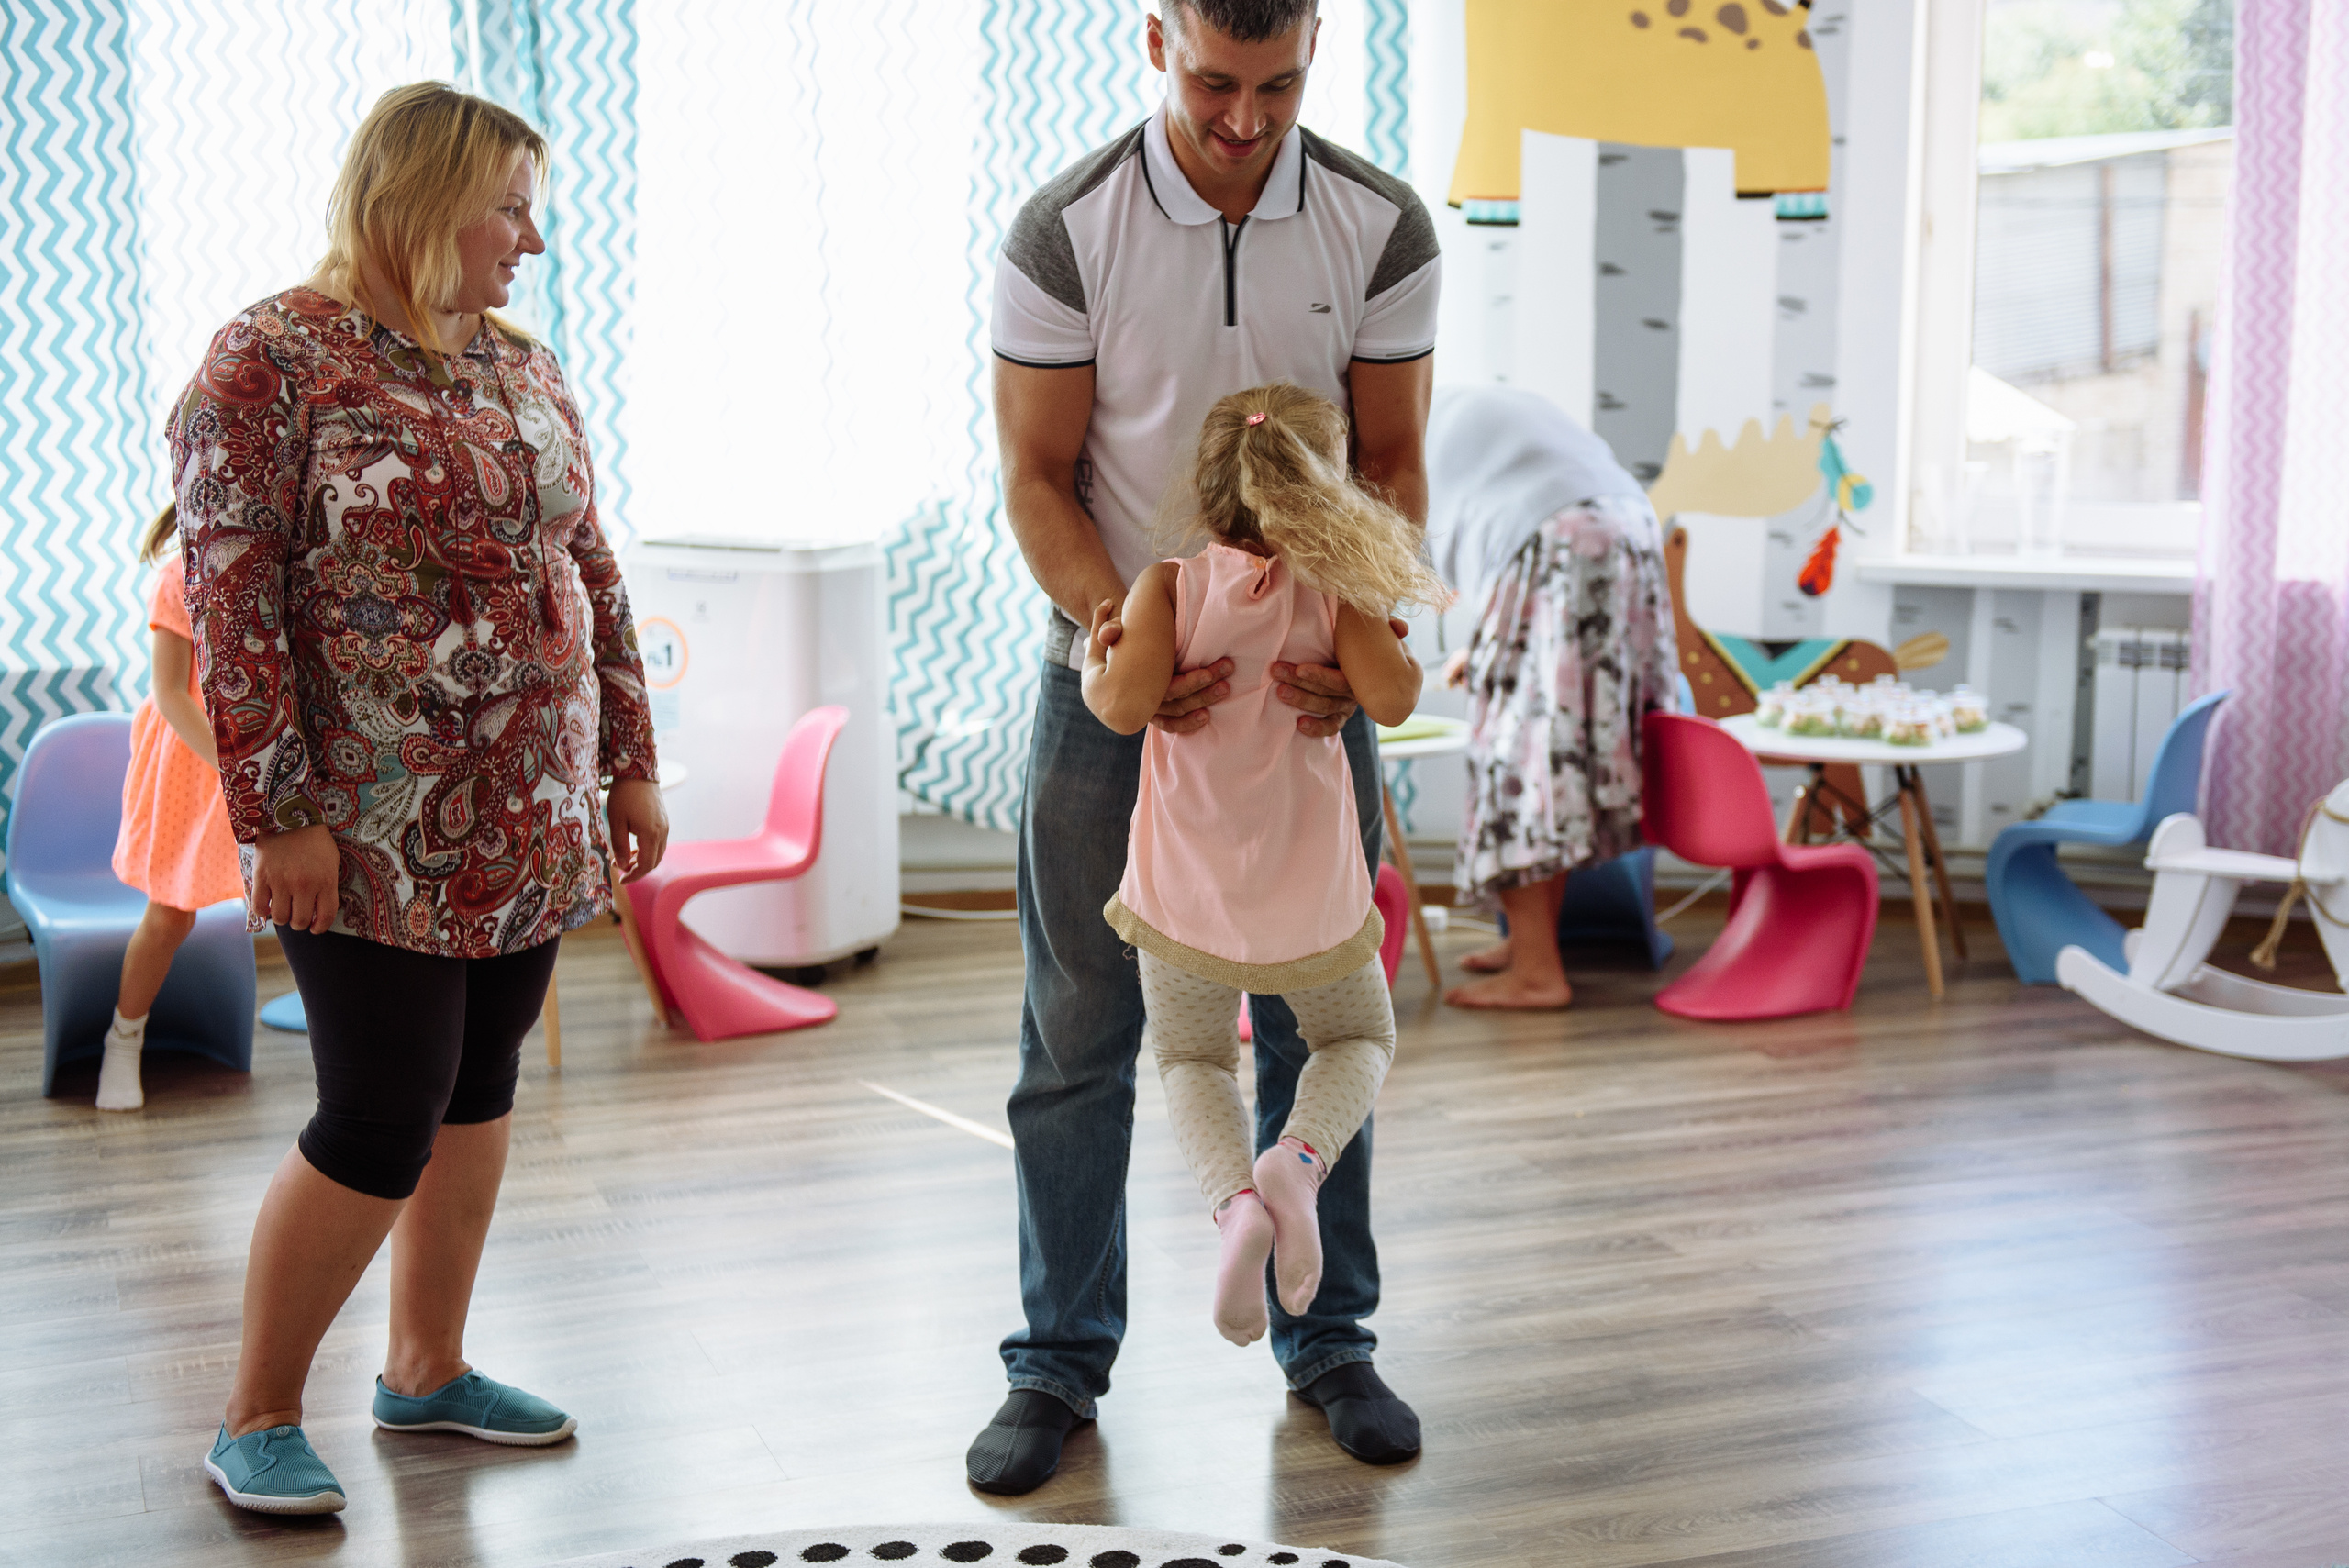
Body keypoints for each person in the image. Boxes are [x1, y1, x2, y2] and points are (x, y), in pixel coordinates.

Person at [173, 83, 665, 1516]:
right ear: (418, 195)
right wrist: (277, 815)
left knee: (480, 1082)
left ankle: (427, 1371)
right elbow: (231, 606)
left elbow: (596, 574)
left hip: (528, 808)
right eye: (508, 205)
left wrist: (627, 758)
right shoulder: (272, 361)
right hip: (365, 822)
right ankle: (257, 1410)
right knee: (380, 1108)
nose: (531, 237)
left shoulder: (524, 365)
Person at [974, 0, 1440, 1494]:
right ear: (1155, 36)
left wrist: (1347, 630)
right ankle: (1057, 1361)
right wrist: (1137, 632)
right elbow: (1038, 479)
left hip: (1307, 687)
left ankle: (1331, 1334)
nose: (1246, 120)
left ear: (1319, 47)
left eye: (1280, 85)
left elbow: (1395, 459)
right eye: (1217, 82)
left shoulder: (1378, 221)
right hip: (1117, 674)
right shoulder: (1065, 231)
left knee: (1323, 1008)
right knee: (1078, 1030)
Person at [1083, 384, 1440, 1347]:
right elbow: (1394, 700)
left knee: (1192, 1058)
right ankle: (1297, 1158)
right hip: (1308, 892)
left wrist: (1096, 657)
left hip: (1185, 892)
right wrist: (1385, 639)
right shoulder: (1338, 590)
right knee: (1357, 1036)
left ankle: (1236, 1204)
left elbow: (1120, 705)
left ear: (1205, 494)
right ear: (1331, 492)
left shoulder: (1169, 585)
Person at [1422, 384, 1676, 1011]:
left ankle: (1538, 970)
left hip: (1557, 537)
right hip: (1628, 524)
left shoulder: (1378, 428)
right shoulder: (1450, 398)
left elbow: (1388, 560)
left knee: (1517, 760)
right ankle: (1531, 946)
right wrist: (1486, 649)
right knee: (1556, 754)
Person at [96, 503, 246, 1113]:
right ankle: (123, 1038)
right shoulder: (179, 577)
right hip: (193, 762)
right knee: (170, 916)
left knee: (295, 903)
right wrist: (232, 768)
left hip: (252, 755)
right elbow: (169, 693)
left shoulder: (261, 574)